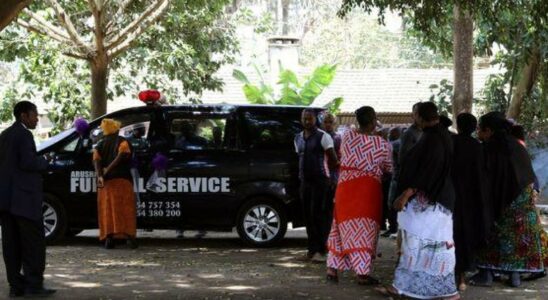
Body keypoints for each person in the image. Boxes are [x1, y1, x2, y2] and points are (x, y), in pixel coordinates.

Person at [378, 102, 459, 299]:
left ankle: (421, 288)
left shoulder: (433, 139)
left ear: (421, 118)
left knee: (418, 242)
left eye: (415, 116)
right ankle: (407, 286)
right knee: (430, 243)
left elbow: (428, 171)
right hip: (437, 199)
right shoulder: (441, 135)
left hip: (429, 200)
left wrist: (407, 193)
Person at [471, 112, 545, 287]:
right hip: (522, 201)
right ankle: (514, 276)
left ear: (488, 130)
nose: (478, 134)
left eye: (479, 130)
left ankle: (486, 274)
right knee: (517, 238)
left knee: (490, 233)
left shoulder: (489, 148)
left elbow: (484, 179)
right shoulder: (517, 146)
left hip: (500, 201)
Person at [325, 106, 392, 285]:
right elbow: (389, 167)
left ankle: (332, 268)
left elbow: (350, 143)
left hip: (345, 187)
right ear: (372, 122)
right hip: (367, 191)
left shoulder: (347, 137)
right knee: (365, 229)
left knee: (339, 226)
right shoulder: (382, 145)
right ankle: (361, 272)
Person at [0, 101, 56, 297]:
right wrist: (45, 161)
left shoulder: (5, 135)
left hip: (6, 201)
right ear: (24, 115)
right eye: (35, 115)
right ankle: (34, 286)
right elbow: (28, 162)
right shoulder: (24, 135)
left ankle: (16, 286)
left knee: (11, 246)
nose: (36, 118)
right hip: (24, 200)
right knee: (33, 245)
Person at [294, 109, 338, 263]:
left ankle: (322, 250)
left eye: (310, 119)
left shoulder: (323, 136)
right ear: (301, 119)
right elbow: (300, 159)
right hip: (305, 182)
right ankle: (311, 250)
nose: (307, 121)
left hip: (321, 182)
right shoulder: (298, 138)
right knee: (308, 217)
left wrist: (333, 180)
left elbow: (333, 160)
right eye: (304, 118)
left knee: (319, 216)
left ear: (315, 119)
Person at [451, 113, 487, 291]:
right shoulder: (477, 147)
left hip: (451, 196)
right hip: (471, 197)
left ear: (457, 125)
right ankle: (462, 274)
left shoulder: (451, 143)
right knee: (466, 234)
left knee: (452, 233)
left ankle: (454, 271)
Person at [93, 118, 138, 249]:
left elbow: (96, 160)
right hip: (123, 181)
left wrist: (100, 175)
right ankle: (129, 238)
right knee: (126, 210)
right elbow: (122, 155)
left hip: (107, 184)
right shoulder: (123, 141)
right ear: (116, 129)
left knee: (108, 211)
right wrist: (107, 170)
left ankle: (109, 238)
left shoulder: (99, 144)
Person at [381, 127, 401, 238]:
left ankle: (393, 228)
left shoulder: (393, 144)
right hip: (397, 177)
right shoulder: (399, 143)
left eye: (390, 133)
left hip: (394, 177)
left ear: (395, 134)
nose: (389, 135)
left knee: (391, 203)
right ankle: (394, 227)